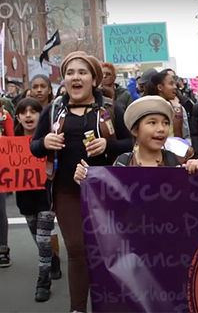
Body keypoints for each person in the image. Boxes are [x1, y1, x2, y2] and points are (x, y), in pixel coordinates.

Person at [30, 51, 132, 312]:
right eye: (70, 73)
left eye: (82, 72)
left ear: (94, 80)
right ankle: (77, 309)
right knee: (77, 250)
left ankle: (111, 304)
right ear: (63, 80)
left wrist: (108, 144)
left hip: (107, 192)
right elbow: (35, 147)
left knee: (107, 251)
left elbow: (132, 143)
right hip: (66, 192)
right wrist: (44, 142)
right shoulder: (53, 110)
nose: (75, 77)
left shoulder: (111, 109)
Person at [14, 98, 61, 302]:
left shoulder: (49, 137)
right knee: (37, 236)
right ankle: (53, 259)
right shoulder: (10, 140)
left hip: (46, 194)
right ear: (18, 117)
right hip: (25, 197)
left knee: (43, 238)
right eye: (24, 112)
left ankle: (43, 282)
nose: (28, 115)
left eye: (33, 111)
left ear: (41, 116)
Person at [144, 70, 191, 143]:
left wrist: (187, 147)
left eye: (175, 84)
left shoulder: (179, 110)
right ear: (160, 87)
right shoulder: (146, 111)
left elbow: (186, 136)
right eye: (171, 84)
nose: (175, 87)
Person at [0, 101, 14, 268]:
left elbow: (12, 143)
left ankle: (3, 247)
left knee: (0, 210)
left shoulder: (4, 116)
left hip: (1, 168)